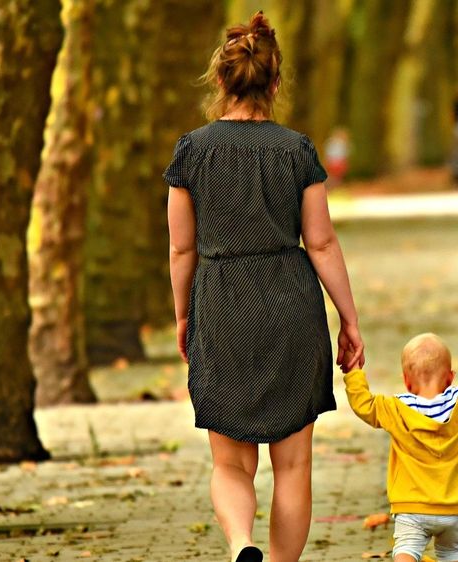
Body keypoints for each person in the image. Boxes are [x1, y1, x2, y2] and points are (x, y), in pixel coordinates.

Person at [164, 12, 365, 562]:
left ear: (220, 81)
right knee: (293, 466)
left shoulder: (191, 153)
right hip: (289, 305)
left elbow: (182, 249)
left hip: (222, 300)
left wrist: (183, 315)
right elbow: (321, 243)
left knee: (230, 463)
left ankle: (241, 545)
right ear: (275, 83)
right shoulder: (296, 151)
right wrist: (349, 319)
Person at [343, 325, 458, 562]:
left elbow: (364, 405)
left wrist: (353, 370)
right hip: (455, 508)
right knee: (449, 553)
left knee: (406, 548)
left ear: (406, 382)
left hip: (412, 506)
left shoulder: (395, 410)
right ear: (450, 377)